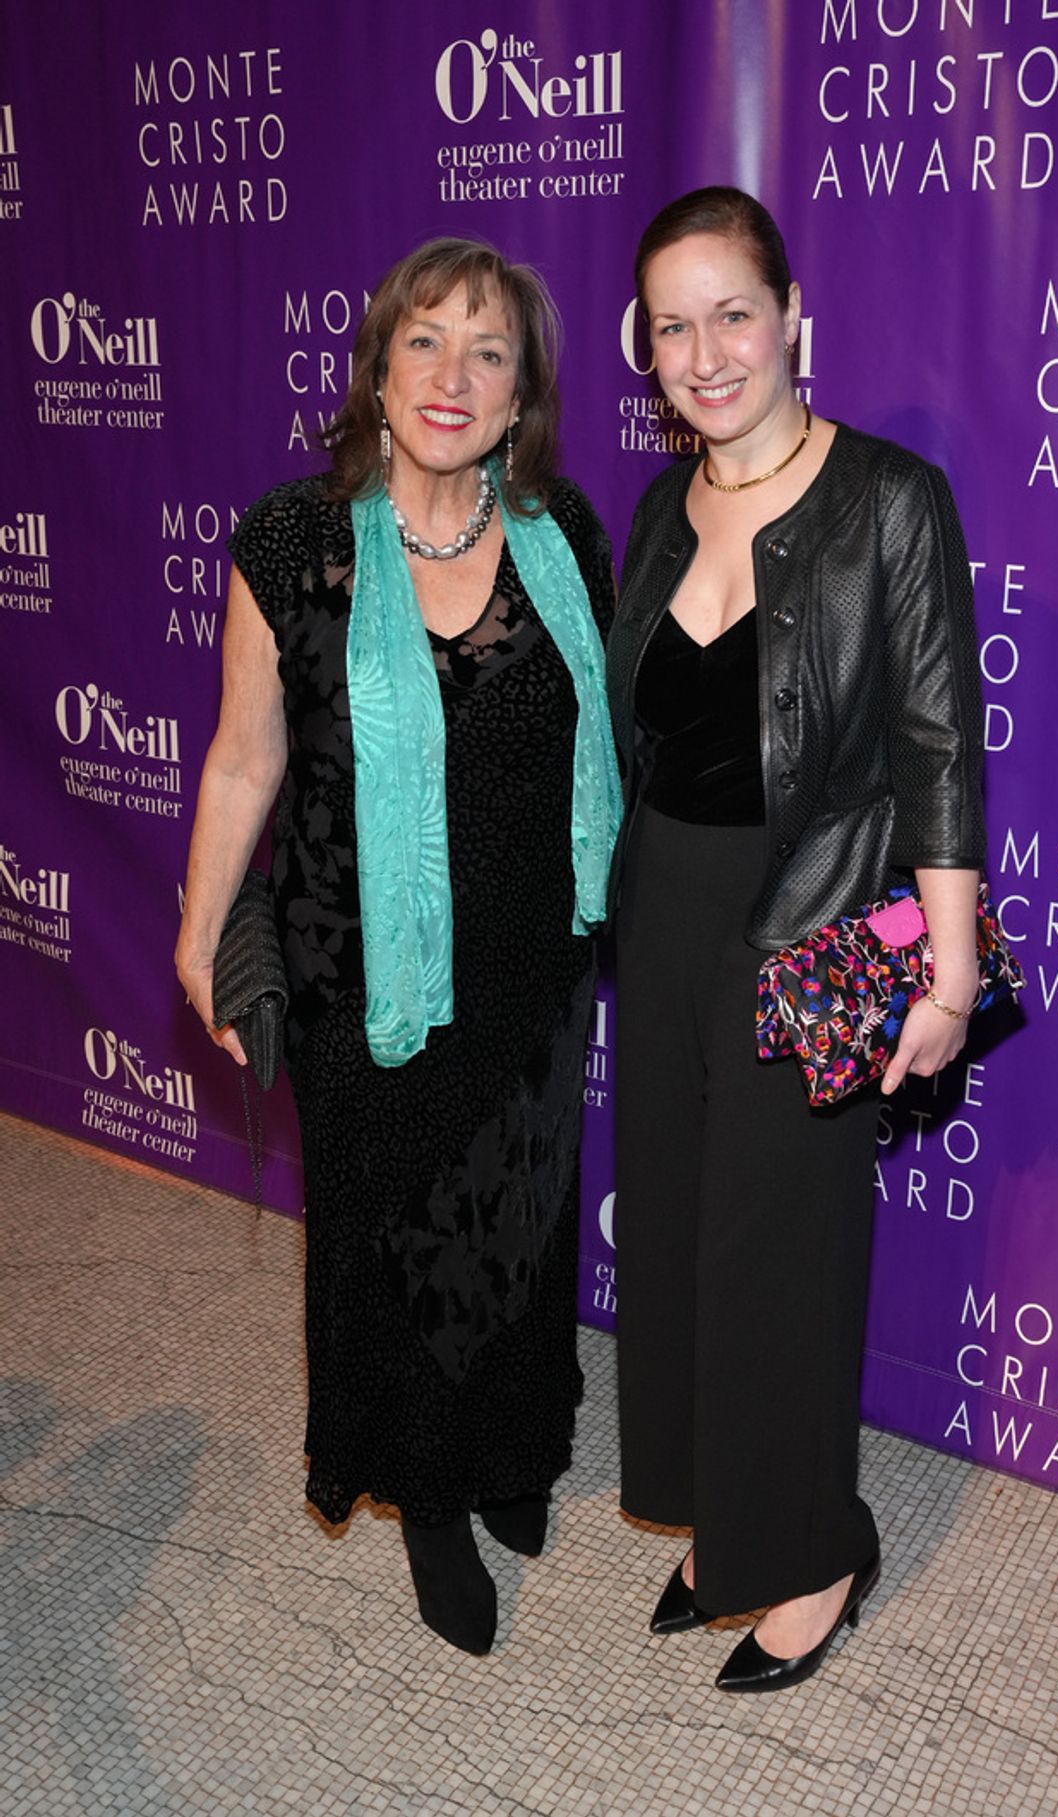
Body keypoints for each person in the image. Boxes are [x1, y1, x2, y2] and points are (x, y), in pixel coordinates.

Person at [175, 238, 621, 1657]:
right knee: (394, 1234)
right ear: (376, 368)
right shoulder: (287, 542)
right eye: (424, 340)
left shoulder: (564, 534)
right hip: (359, 964)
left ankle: (512, 1447)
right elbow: (245, 757)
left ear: (521, 394)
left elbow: (608, 752)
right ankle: (430, 1492)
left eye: (489, 352)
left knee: (519, 1214)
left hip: (533, 963)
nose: (452, 375)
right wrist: (198, 927)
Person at [607, 188, 985, 1693]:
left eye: (734, 315)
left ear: (791, 318)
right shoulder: (658, 507)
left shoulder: (891, 500)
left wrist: (946, 968)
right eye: (673, 327)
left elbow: (937, 744)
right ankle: (729, 1517)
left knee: (784, 1248)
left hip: (818, 917)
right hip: (664, 913)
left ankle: (815, 1550)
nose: (706, 355)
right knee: (683, 1231)